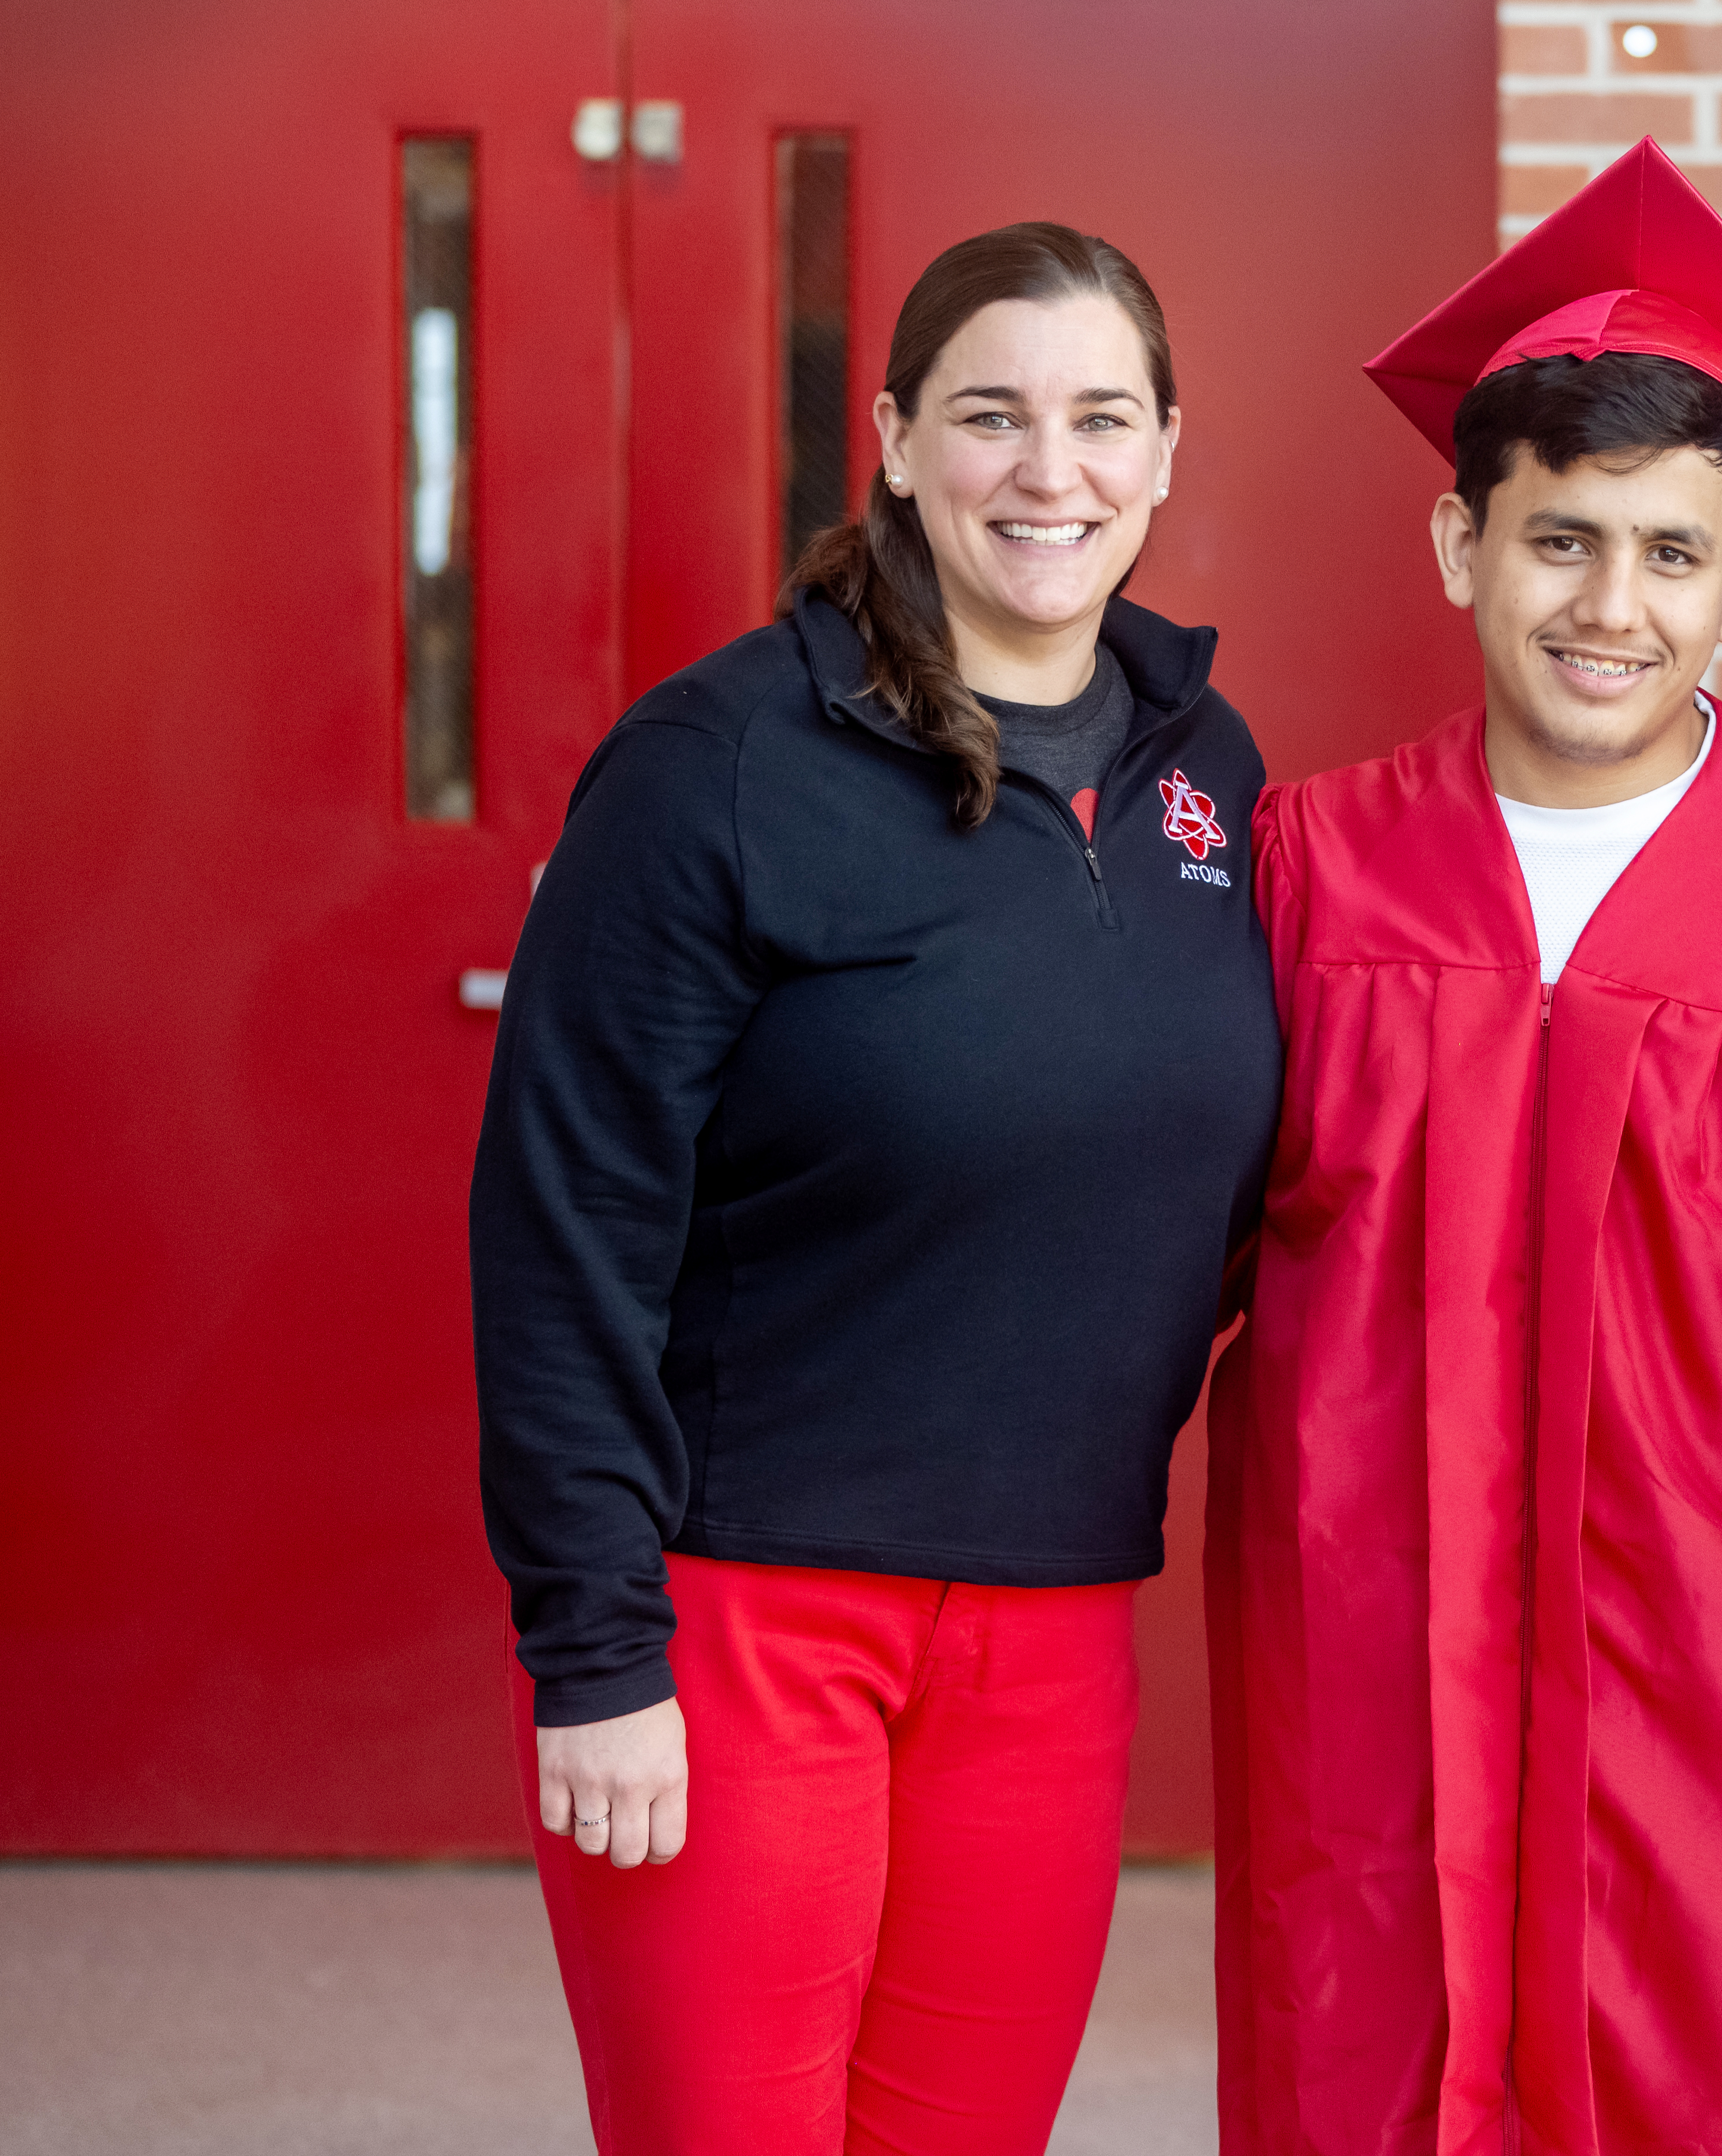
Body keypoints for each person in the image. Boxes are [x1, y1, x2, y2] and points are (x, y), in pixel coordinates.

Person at [1205, 142, 1722, 2155]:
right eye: (1563, 542)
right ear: (1463, 544)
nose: (1612, 606)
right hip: (1375, 1633)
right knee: (1371, 2054)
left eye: (1670, 552)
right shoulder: (1309, 862)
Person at [470, 222, 1277, 2154]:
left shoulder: (1215, 772)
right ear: (902, 442)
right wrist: (594, 1646)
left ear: (1169, 450)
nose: (1048, 471)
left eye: (1100, 419)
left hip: (1061, 1615)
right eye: (991, 415)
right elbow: (564, 1222)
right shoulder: (716, 763)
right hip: (746, 1616)